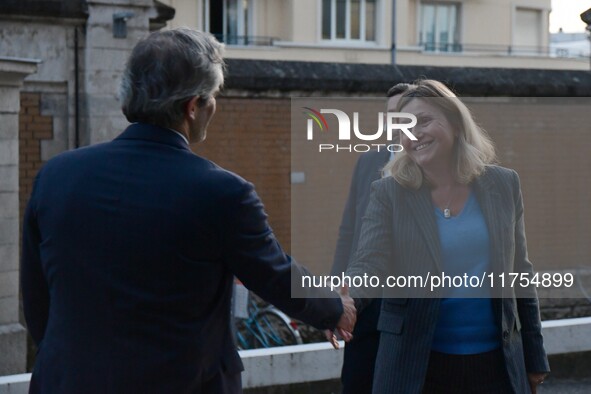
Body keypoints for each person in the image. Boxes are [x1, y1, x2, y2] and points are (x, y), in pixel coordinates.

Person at [21, 28, 355, 394]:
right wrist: (335, 308)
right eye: (212, 97)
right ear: (192, 107)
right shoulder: (221, 192)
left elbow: (38, 302)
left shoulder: (55, 176)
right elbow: (275, 275)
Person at [346, 79, 549, 393]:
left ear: (455, 123)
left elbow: (521, 272)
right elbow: (369, 264)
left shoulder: (504, 184)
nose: (413, 134)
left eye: (423, 121)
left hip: (496, 366)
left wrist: (535, 356)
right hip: (416, 367)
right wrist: (346, 299)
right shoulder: (388, 192)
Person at [330, 83, 415, 394]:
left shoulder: (432, 167)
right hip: (365, 304)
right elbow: (348, 232)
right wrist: (336, 298)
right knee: (356, 383)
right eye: (391, 115)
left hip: (411, 306)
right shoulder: (368, 162)